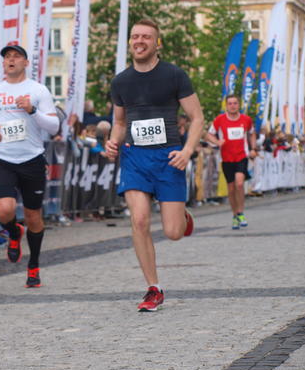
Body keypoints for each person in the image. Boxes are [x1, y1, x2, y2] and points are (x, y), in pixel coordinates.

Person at [105, 19, 203, 312]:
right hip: (135, 158)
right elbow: (120, 122)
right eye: (135, 36)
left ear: (156, 43)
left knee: (173, 232)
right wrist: (113, 142)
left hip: (169, 157)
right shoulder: (120, 81)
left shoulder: (174, 75)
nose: (140, 41)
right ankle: (153, 288)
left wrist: (187, 150)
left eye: (146, 37)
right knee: (139, 220)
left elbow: (197, 117)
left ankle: (181, 216)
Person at [0, 44, 59, 288]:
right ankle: (14, 232)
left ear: (26, 63)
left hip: (32, 159)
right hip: (4, 158)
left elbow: (54, 126)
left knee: (33, 216)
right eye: (7, 57)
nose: (11, 60)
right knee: (3, 210)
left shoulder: (38, 90)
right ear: (3, 63)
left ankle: (33, 266)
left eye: (16, 56)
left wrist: (32, 110)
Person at [206, 94, 256, 230]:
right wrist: (217, 142)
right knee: (231, 188)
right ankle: (234, 215)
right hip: (226, 158)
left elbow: (252, 133)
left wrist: (253, 148)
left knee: (239, 183)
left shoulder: (246, 119)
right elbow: (209, 134)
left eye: (235, 103)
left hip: (241, 156)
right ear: (226, 106)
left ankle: (241, 212)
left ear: (239, 105)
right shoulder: (220, 119)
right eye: (230, 103)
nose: (233, 106)